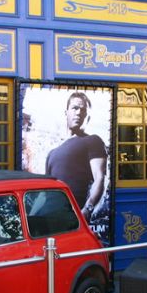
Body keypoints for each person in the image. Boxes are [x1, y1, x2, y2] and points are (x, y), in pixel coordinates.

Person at [45, 92, 107, 221]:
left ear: (85, 115)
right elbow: (46, 190)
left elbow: (100, 178)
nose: (79, 113)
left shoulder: (92, 140)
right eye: (75, 108)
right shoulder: (52, 153)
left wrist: (87, 209)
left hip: (74, 217)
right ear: (66, 112)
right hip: (48, 217)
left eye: (83, 110)